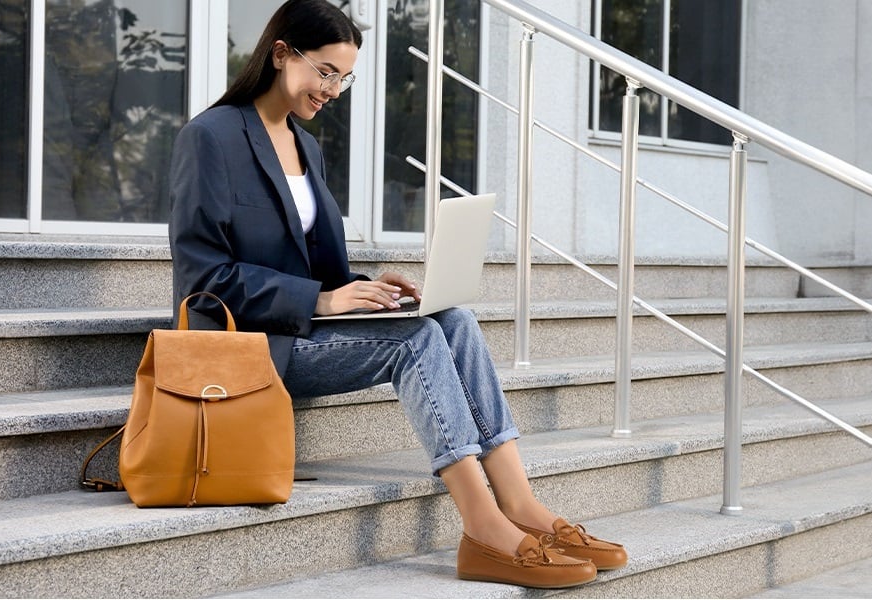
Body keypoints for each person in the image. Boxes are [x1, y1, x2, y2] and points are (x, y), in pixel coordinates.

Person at [168, 0, 626, 589]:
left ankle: (522, 505)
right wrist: (321, 302)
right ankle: (482, 525)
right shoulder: (210, 138)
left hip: (302, 326)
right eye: (326, 71)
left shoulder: (306, 147)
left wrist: (367, 287)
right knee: (415, 342)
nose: (334, 89)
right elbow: (203, 280)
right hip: (249, 347)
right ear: (282, 54)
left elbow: (313, 260)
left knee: (450, 319)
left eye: (344, 77)